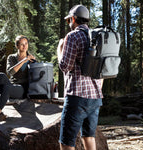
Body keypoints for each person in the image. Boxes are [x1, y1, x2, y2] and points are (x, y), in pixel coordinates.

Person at [57, 4, 104, 150]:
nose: (69, 23)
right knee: (89, 137)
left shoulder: (73, 36)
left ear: (73, 19)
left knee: (66, 142)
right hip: (95, 97)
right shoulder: (97, 36)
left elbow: (65, 66)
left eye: (68, 20)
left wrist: (60, 49)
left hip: (77, 97)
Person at [0, 35, 35, 122]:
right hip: (12, 84)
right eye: (22, 44)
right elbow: (10, 72)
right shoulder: (11, 57)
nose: (24, 46)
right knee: (1, 76)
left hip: (22, 89)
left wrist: (28, 61)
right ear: (17, 46)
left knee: (6, 88)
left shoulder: (31, 60)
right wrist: (24, 60)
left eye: (26, 43)